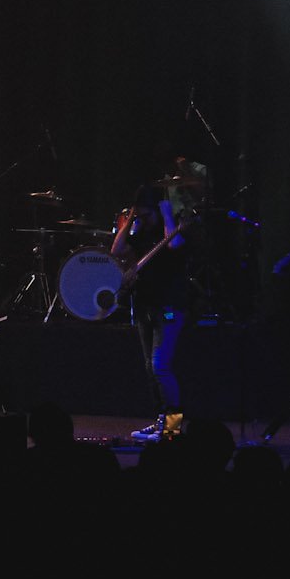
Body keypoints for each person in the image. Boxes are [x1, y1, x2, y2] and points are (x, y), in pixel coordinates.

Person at [110, 146, 208, 443]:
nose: (142, 218)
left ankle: (172, 429)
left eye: (144, 213)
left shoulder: (175, 230)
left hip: (170, 306)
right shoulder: (140, 233)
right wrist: (129, 221)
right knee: (149, 368)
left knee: (160, 366)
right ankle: (160, 422)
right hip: (145, 306)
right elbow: (116, 250)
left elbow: (173, 245)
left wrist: (165, 212)